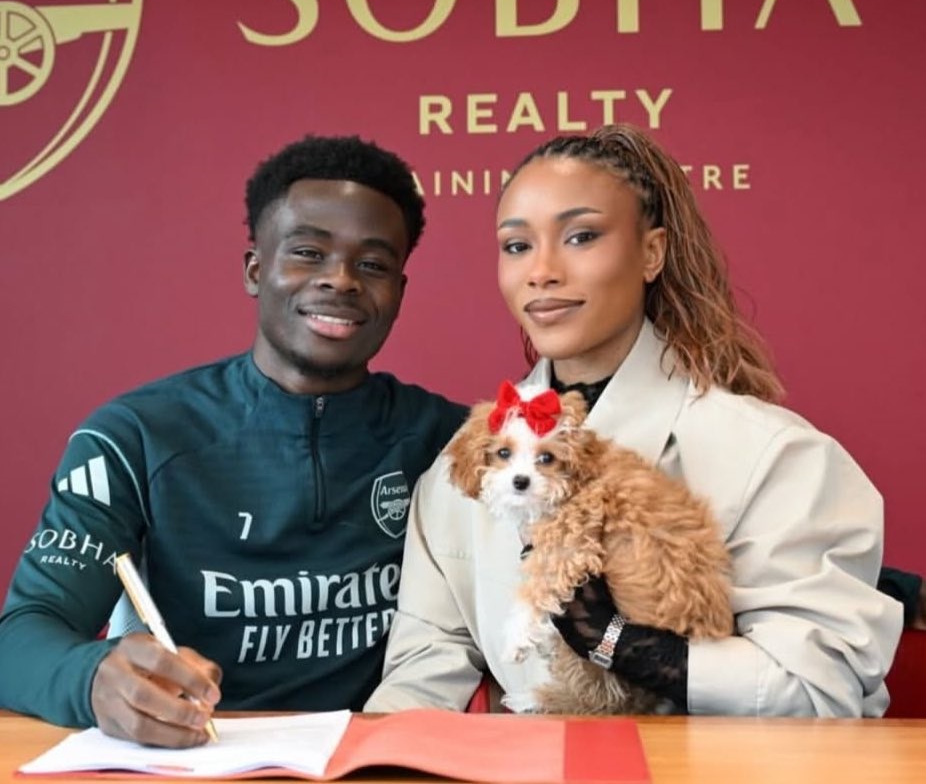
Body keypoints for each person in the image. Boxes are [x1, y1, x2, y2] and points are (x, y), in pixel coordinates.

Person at [365, 123, 904, 717]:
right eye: (517, 245)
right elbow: (422, 673)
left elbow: (821, 690)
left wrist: (621, 644)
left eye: (581, 236)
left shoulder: (778, 456)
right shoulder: (464, 463)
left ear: (652, 253)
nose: (541, 271)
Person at [0, 135, 466, 746]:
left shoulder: (457, 442)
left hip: (375, 760)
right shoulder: (134, 436)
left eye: (373, 265)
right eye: (308, 252)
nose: (341, 280)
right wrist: (92, 679)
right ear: (255, 270)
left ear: (399, 293)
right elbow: (20, 637)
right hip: (191, 757)